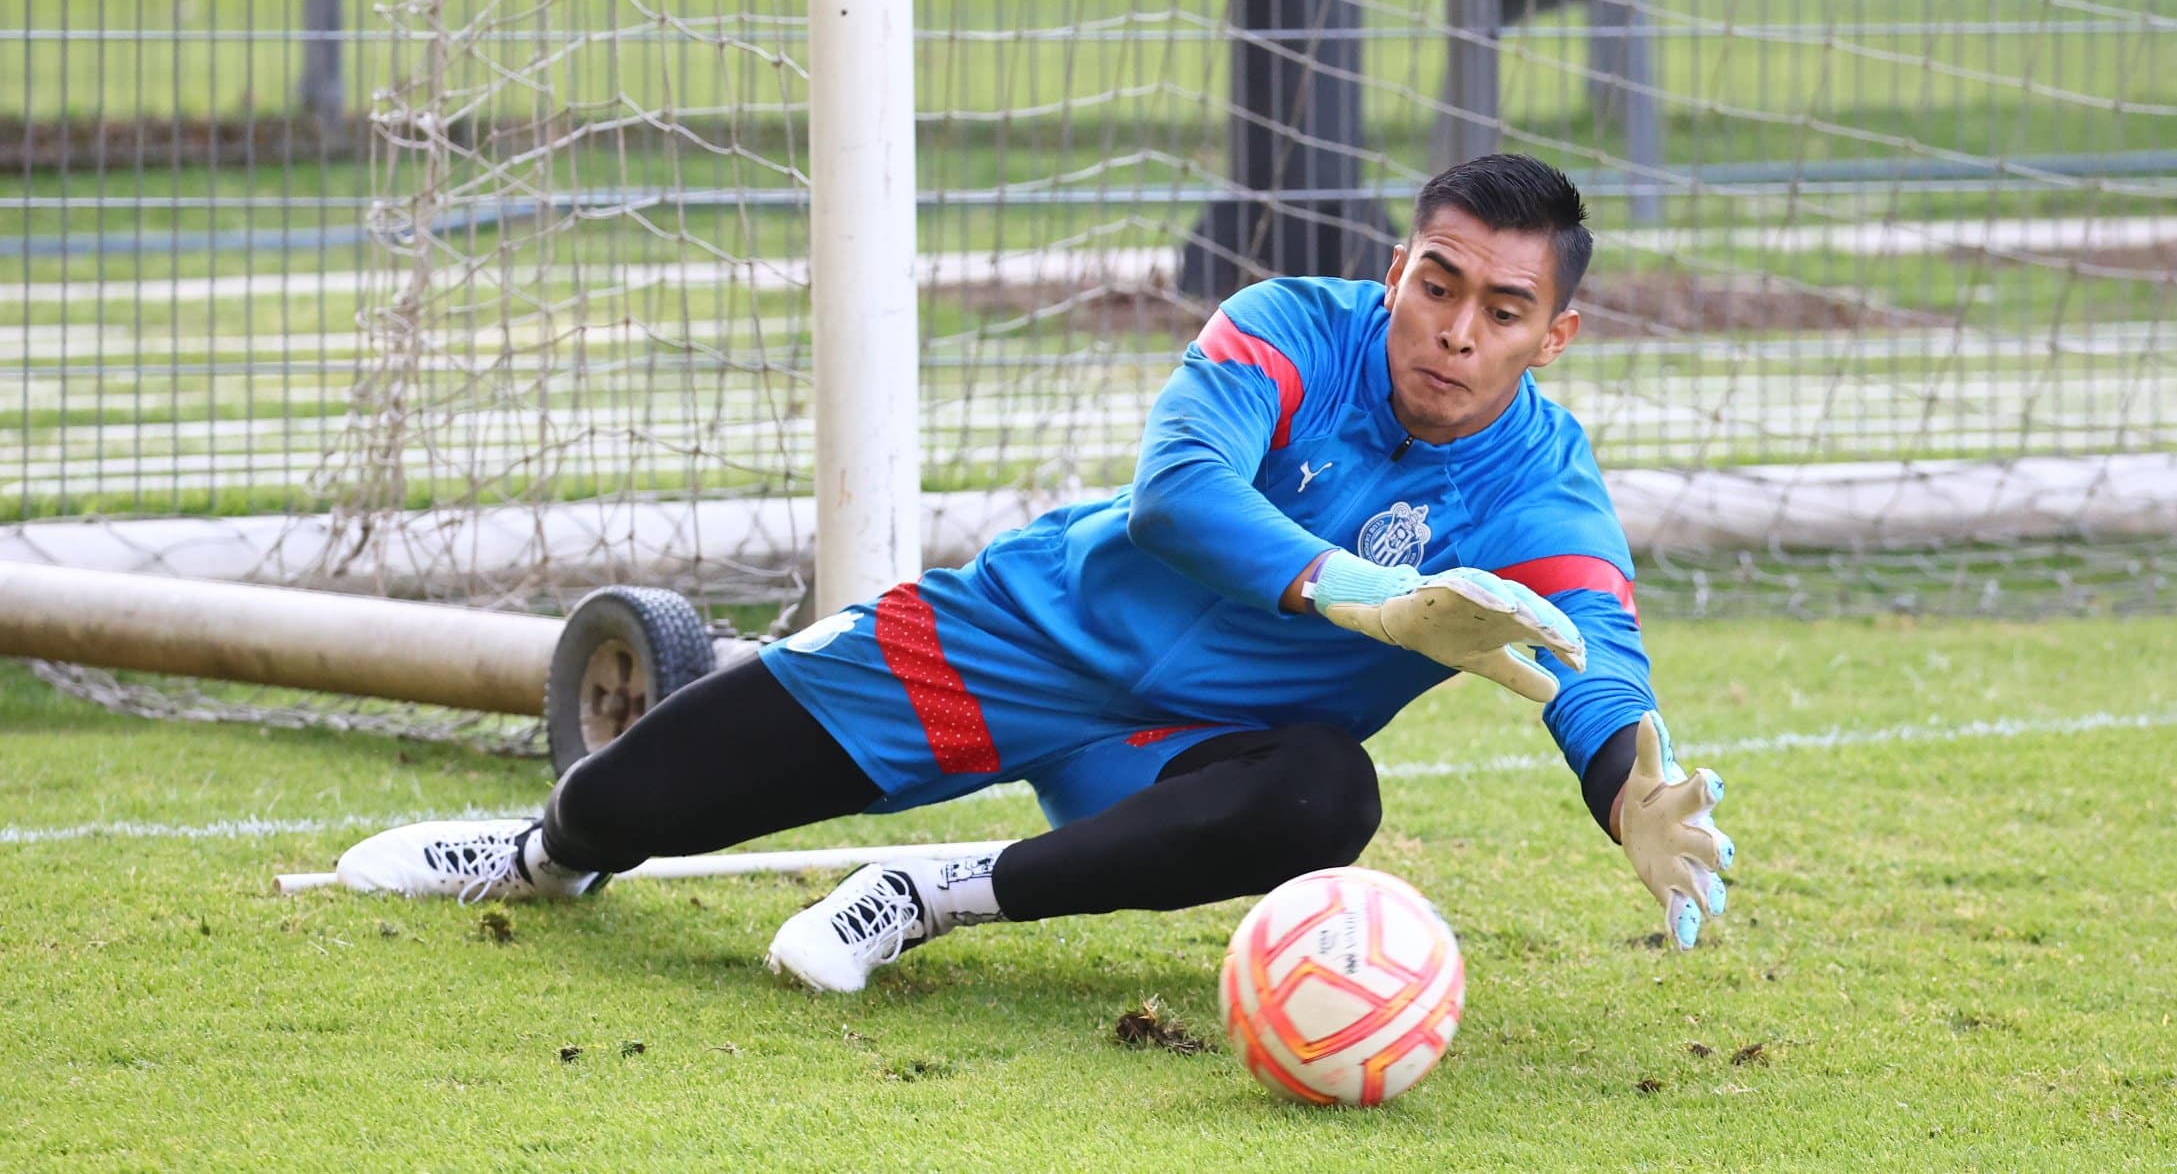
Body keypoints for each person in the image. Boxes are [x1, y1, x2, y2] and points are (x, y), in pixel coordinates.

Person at [339, 153, 1735, 992]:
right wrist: (1353, 596)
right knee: (632, 798)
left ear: (1550, 337)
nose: (1452, 331)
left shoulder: (1542, 485)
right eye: (1435, 284)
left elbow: (1582, 652)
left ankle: (924, 895)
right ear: (1394, 270)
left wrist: (1626, 791)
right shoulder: (1284, 329)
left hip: (1189, 752)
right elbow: (1181, 494)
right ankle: (535, 857)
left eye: (1499, 311)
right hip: (1023, 635)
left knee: (1325, 794)